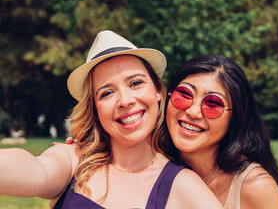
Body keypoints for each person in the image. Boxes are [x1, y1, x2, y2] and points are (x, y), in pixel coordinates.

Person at [0, 31, 223, 209]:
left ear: (157, 90)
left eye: (135, 83)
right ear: (95, 109)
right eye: (107, 93)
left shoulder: (183, 185)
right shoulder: (74, 161)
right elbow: (35, 169)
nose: (125, 100)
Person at [157, 54, 278, 209]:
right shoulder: (152, 164)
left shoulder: (255, 186)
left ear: (234, 120)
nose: (193, 112)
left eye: (212, 104)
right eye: (185, 95)